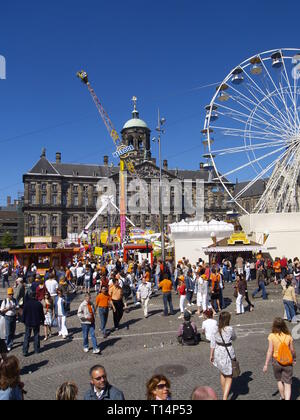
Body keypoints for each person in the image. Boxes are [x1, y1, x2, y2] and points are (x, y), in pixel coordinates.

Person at [263, 318, 296, 400]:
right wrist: (294, 359)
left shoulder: (272, 336)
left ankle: (282, 397)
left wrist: (266, 364)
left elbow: (270, 351)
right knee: (287, 383)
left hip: (276, 361)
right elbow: (292, 350)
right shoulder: (288, 336)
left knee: (279, 380)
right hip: (287, 361)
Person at [210, 311, 237, 400]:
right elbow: (234, 338)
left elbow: (212, 343)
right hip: (227, 352)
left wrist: (211, 355)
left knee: (222, 372)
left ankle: (224, 391)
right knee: (229, 376)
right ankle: (225, 397)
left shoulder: (215, 328)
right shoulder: (229, 329)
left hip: (218, 351)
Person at [22, 290, 45, 356]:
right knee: (36, 336)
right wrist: (43, 321)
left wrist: (23, 321)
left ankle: (25, 351)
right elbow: (42, 314)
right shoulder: (39, 304)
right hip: (36, 322)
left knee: (27, 336)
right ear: (35, 296)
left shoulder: (26, 304)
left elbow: (24, 314)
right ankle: (36, 349)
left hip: (28, 322)